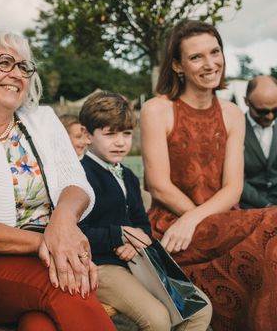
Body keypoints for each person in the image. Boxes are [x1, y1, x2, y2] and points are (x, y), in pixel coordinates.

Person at [0, 29, 115, 331]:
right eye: (5, 63)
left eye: (25, 67)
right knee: (67, 288)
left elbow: (76, 182)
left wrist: (62, 222)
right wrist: (49, 243)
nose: (18, 74)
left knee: (40, 325)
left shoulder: (43, 119)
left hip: (42, 262)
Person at [141, 20, 277, 331]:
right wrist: (191, 220)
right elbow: (159, 187)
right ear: (178, 65)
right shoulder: (157, 109)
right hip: (172, 227)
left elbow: (233, 188)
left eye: (215, 52)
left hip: (221, 223)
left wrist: (198, 218)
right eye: (196, 57)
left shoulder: (231, 115)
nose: (210, 63)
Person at [78, 91, 212, 331]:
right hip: (101, 266)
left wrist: (134, 240)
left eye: (126, 134)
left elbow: (142, 222)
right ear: (87, 135)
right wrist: (119, 235)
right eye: (110, 134)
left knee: (199, 308)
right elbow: (76, 233)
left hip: (138, 260)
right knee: (158, 320)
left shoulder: (127, 175)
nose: (120, 142)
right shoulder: (81, 176)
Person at [240, 75, 277, 208]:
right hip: (249, 208)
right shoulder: (235, 128)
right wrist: (267, 206)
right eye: (262, 111)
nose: (270, 117)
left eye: (275, 110)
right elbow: (235, 180)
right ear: (246, 102)